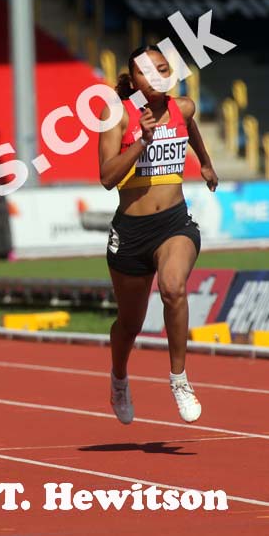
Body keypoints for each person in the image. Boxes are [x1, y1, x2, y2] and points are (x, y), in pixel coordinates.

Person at [98, 46, 218, 425]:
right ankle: (119, 377)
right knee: (130, 324)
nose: (155, 77)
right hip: (131, 231)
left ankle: (179, 378)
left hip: (173, 224)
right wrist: (141, 141)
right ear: (132, 80)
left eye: (162, 69)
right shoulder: (115, 114)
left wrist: (206, 163)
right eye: (146, 73)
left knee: (173, 288)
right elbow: (106, 178)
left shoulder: (182, 107)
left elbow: (191, 127)